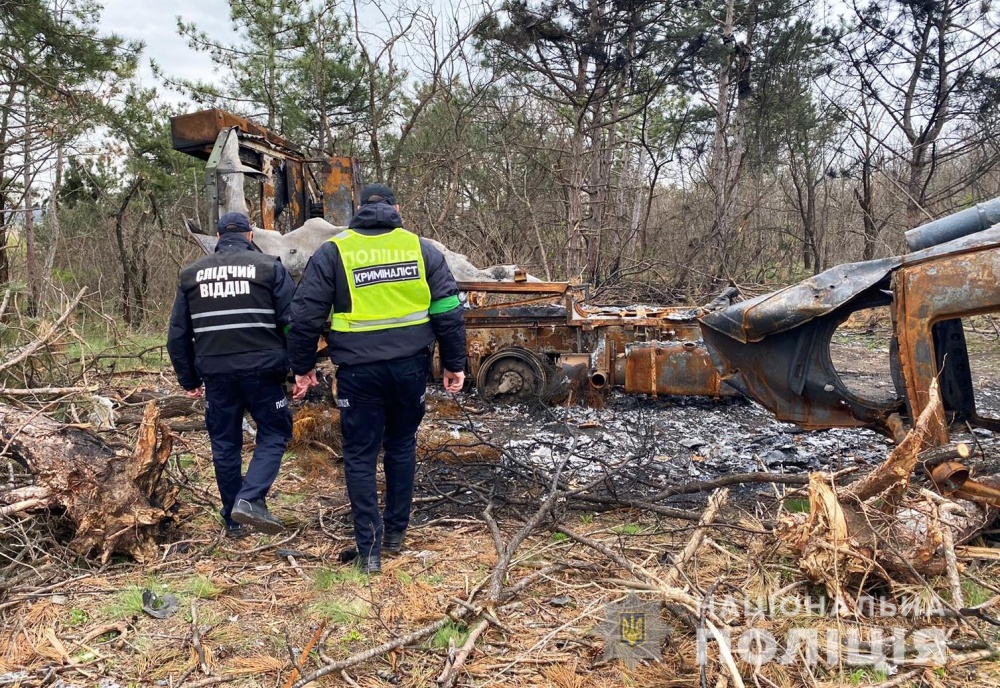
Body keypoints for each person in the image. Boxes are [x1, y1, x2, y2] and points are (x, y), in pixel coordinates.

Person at [288, 183, 466, 574]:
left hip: (359, 372)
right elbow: (449, 311)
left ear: (357, 210)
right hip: (410, 369)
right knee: (401, 445)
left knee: (360, 455)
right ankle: (396, 534)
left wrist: (301, 367)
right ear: (396, 210)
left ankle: (369, 551)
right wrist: (455, 363)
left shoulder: (335, 251)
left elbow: (304, 316)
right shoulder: (421, 249)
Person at [167, 212, 295, 538]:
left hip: (216, 373)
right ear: (250, 235)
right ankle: (250, 499)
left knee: (225, 444)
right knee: (275, 432)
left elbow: (178, 335)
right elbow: (291, 322)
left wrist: (189, 379)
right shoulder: (269, 267)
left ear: (217, 236)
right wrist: (297, 366)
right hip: (263, 371)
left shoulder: (191, 275)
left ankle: (234, 521)